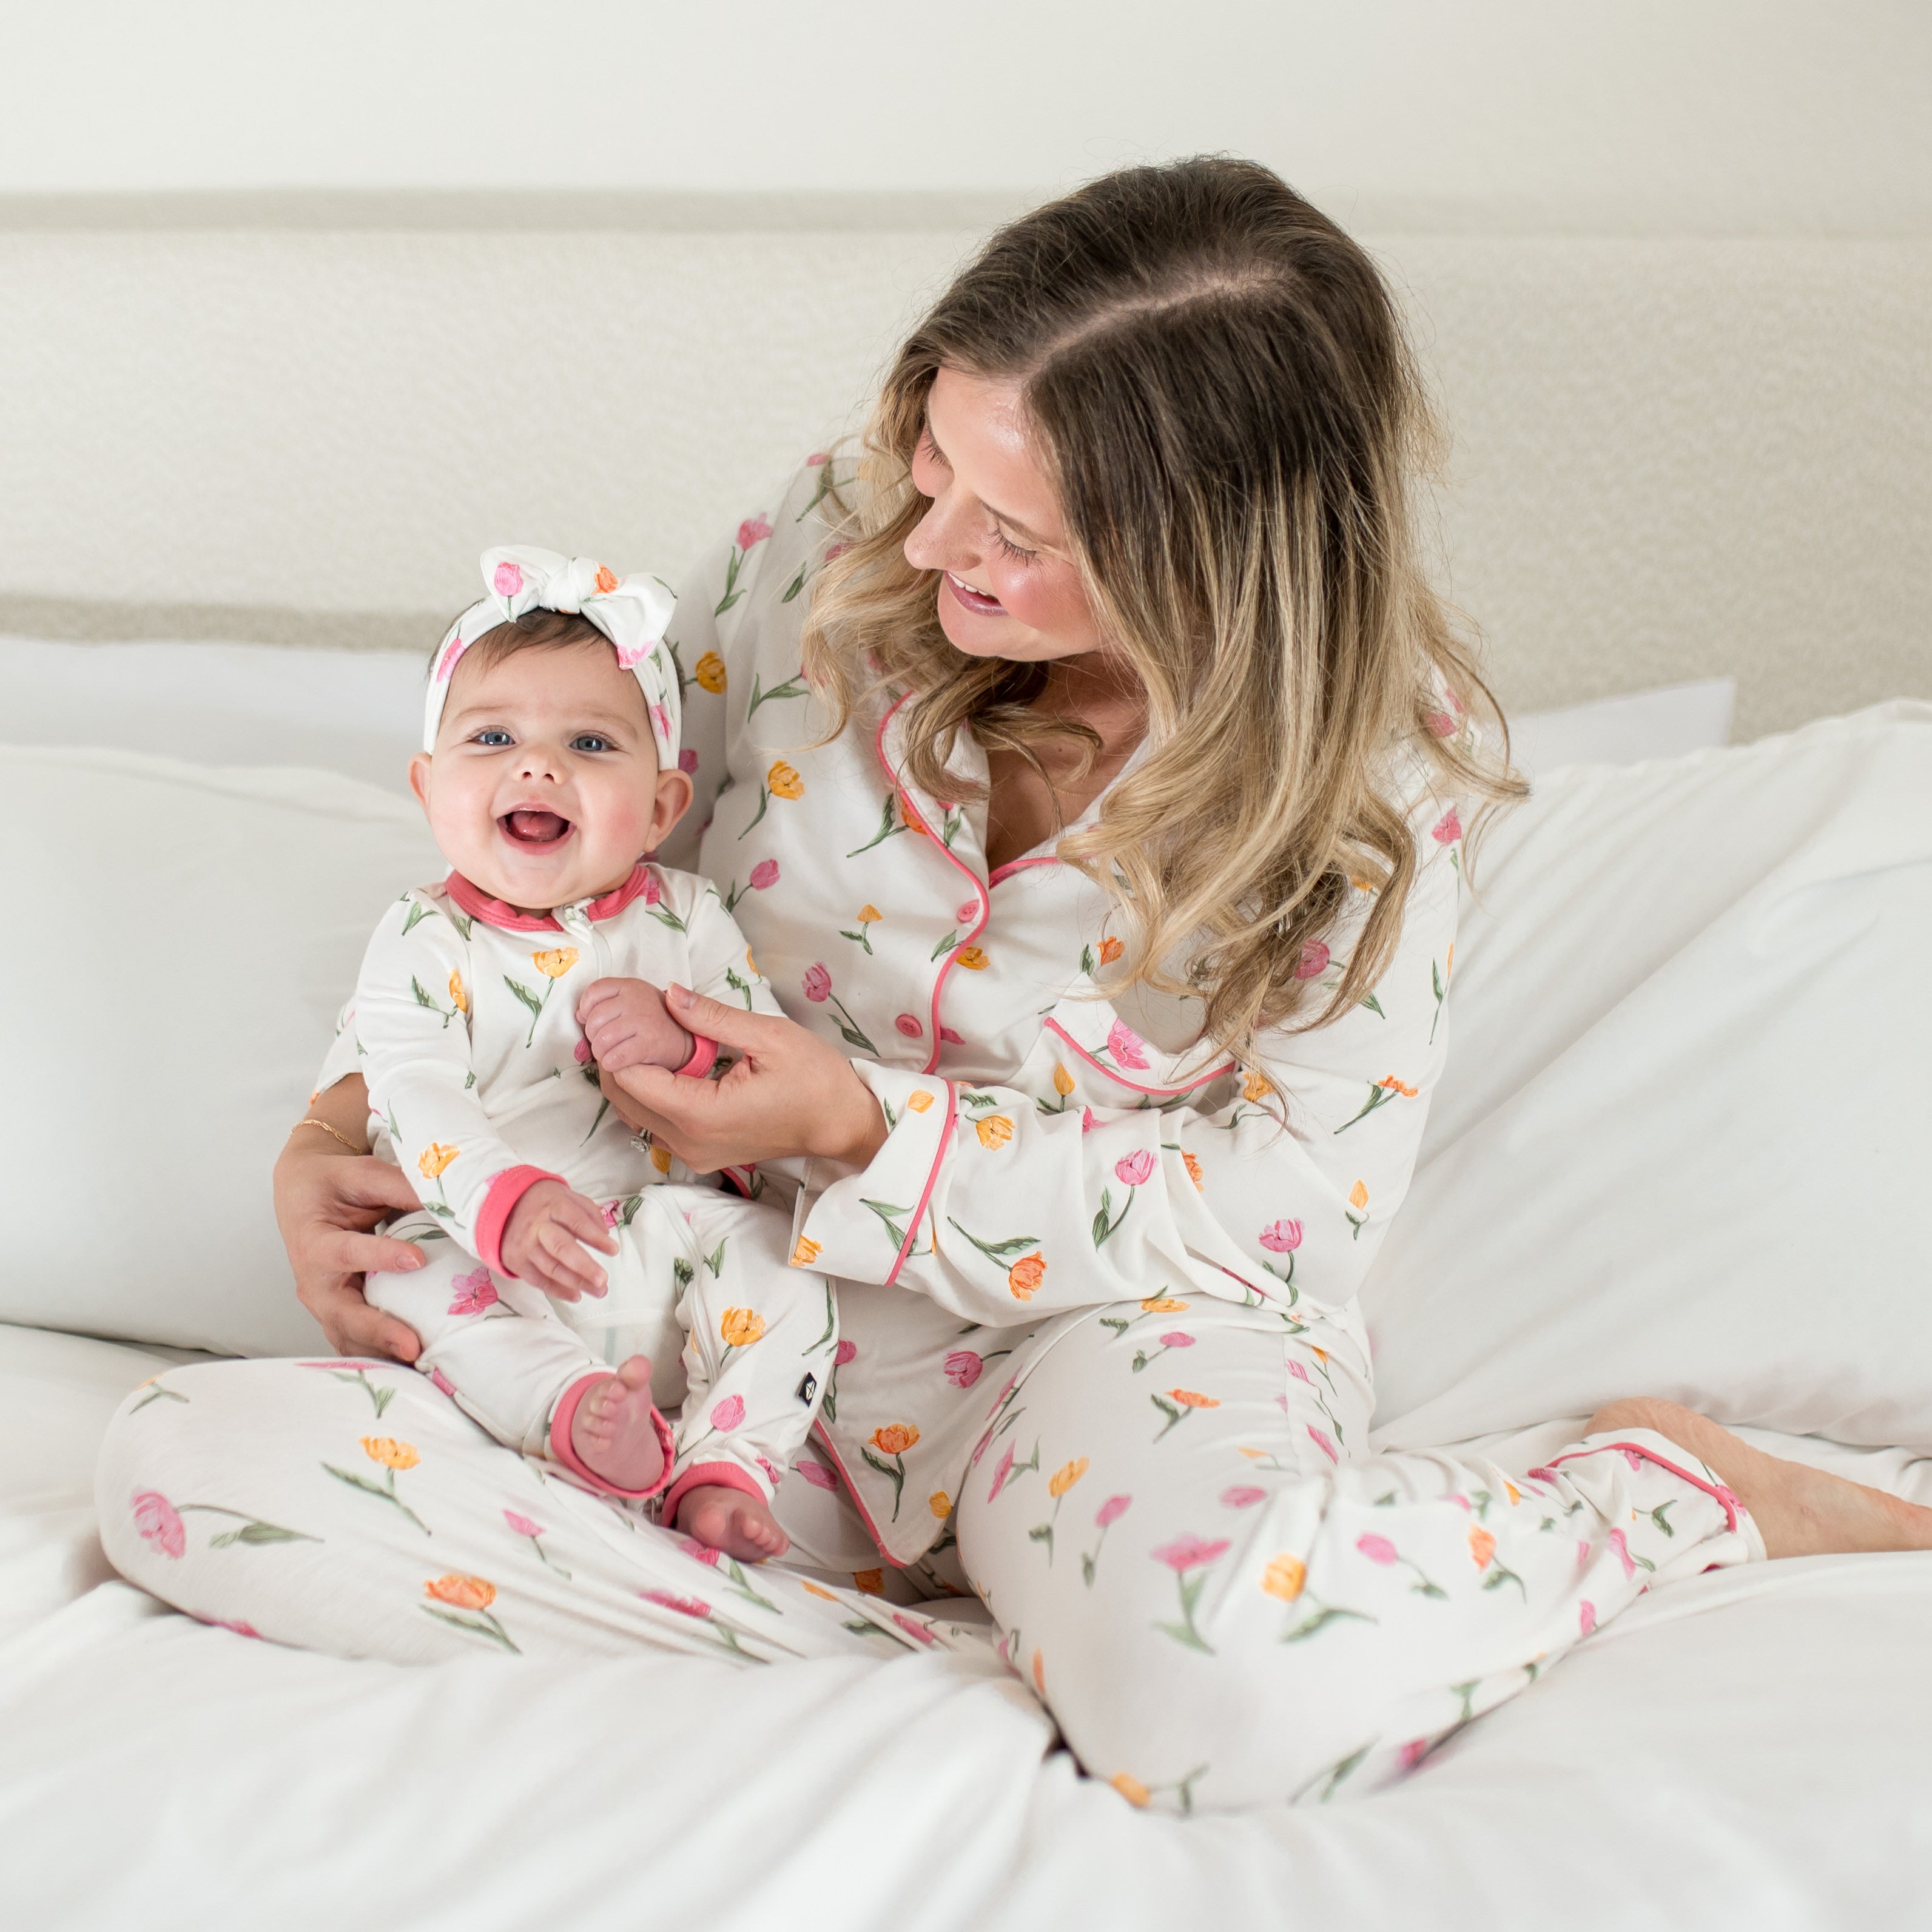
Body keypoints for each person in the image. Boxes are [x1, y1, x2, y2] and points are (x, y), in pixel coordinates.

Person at [98, 158, 1932, 1810]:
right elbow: (557, 837)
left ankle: (1650, 1499)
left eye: (1014, 531)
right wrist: (343, 1119)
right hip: (701, 1303)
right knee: (195, 1469)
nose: (922, 548)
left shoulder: (1380, 777)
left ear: (1210, 549)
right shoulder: (826, 547)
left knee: (1233, 1689)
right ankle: (994, 1657)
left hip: (1102, 1343)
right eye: (934, 472)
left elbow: (1286, 1212)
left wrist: (863, 1128)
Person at [334, 545, 832, 1561]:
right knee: (405, 1276)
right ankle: (571, 1413)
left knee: (786, 1264)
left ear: (660, 809)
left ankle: (724, 1466)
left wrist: (684, 1037)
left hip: (657, 1238)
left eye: (591, 743)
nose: (537, 766)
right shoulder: (424, 937)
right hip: (492, 1246)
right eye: (492, 736)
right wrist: (499, 1199)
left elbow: (760, 1064)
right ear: (429, 788)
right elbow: (414, 1085)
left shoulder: (688, 920)